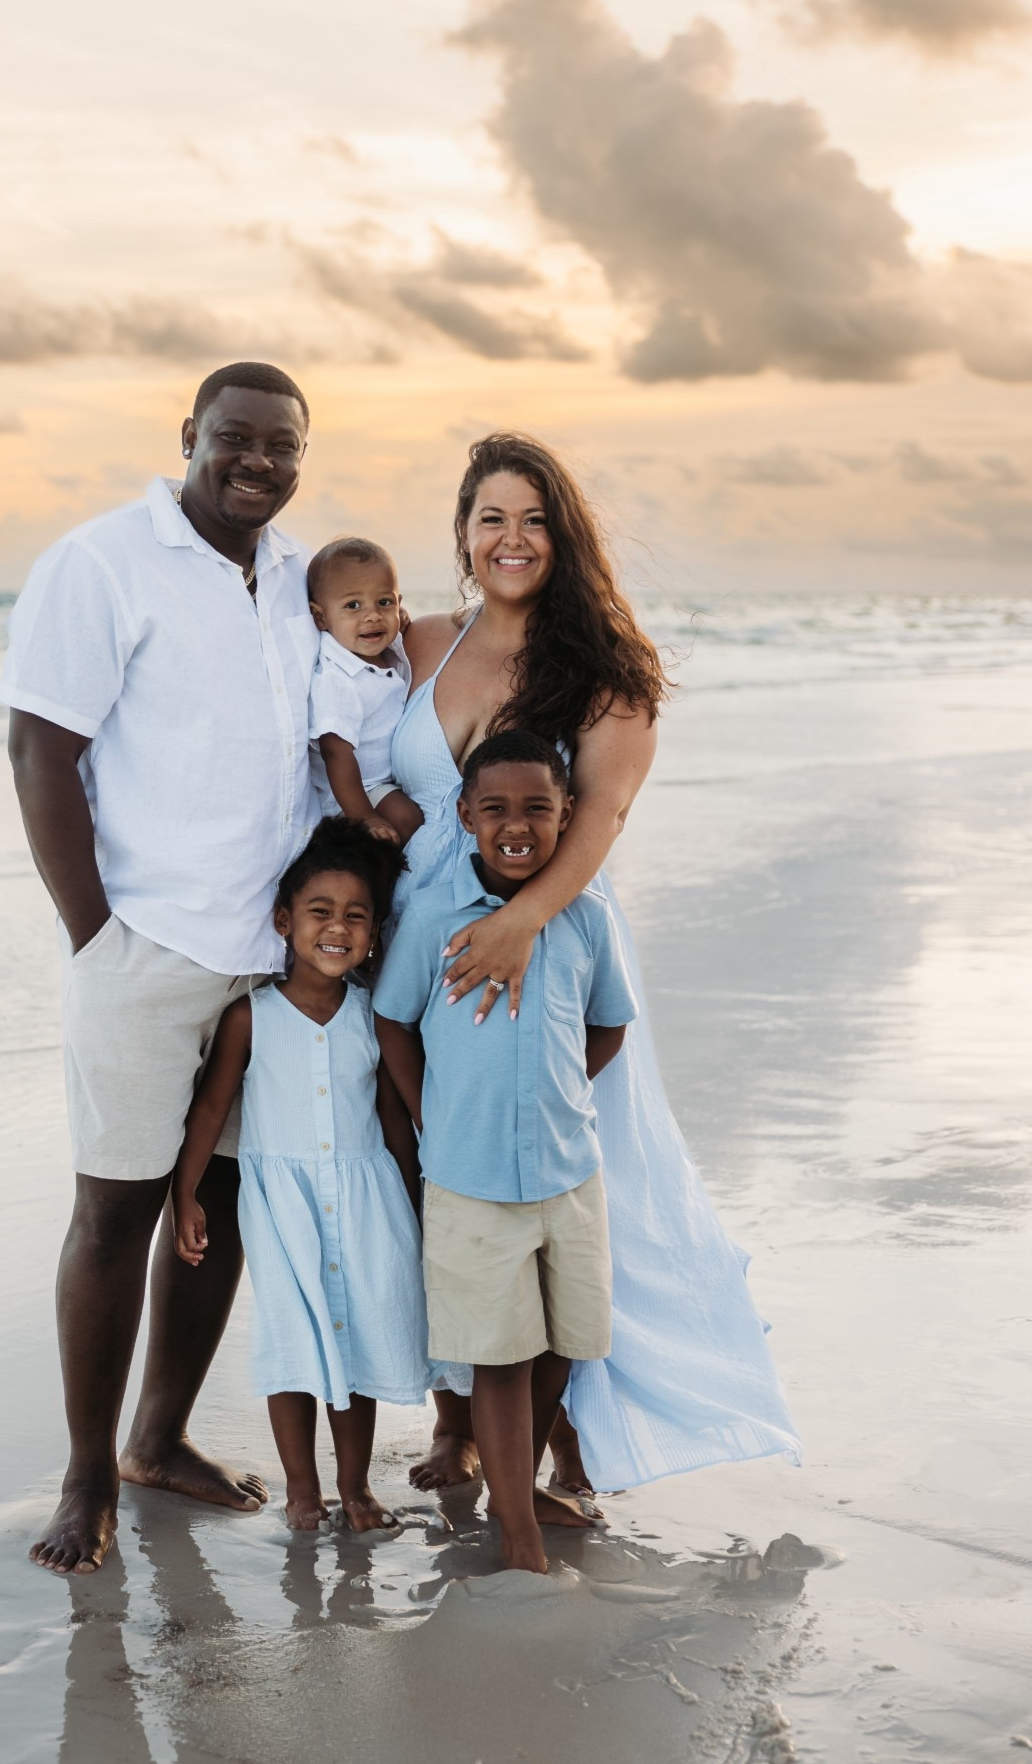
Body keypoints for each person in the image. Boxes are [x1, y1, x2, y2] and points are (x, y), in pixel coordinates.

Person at [389, 431, 801, 1500]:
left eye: (533, 518)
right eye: (490, 517)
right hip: (420, 946)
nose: (510, 537)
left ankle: (574, 1430)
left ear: (562, 537)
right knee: (437, 1170)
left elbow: (603, 812)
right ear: (462, 533)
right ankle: (458, 1418)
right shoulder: (419, 641)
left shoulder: (607, 675)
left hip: (548, 947)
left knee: (571, 1179)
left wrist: (520, 922)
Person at [0, 361, 320, 1575]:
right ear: (189, 435)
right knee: (118, 1208)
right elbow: (39, 747)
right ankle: (85, 1476)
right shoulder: (100, 562)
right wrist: (95, 934)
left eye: (282, 445)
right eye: (236, 438)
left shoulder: (299, 577)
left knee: (221, 1202)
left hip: (266, 960)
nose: (259, 461)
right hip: (145, 948)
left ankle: (160, 1435)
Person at [375, 732, 638, 1573]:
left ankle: (513, 1489)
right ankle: (518, 1534)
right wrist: (431, 1117)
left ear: (567, 815)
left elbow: (609, 1023)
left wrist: (558, 1095)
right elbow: (393, 1020)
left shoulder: (586, 917)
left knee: (563, 1343)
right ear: (465, 816)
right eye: (496, 809)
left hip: (568, 1170)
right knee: (498, 1353)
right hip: (470, 1177)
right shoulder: (432, 916)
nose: (517, 826)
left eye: (537, 808)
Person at [172, 818, 427, 1532]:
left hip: (367, 1199)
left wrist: (416, 1202)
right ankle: (301, 1491)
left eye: (356, 916)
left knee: (359, 1342)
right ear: (285, 921)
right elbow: (212, 1108)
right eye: (320, 912)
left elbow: (394, 1119)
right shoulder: (249, 1018)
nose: (337, 928)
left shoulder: (374, 1016)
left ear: (375, 932)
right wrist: (183, 1192)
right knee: (293, 1340)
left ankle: (355, 1489)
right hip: (281, 1206)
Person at [306, 537, 424, 845]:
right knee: (406, 820)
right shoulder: (338, 679)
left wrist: (400, 622)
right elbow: (336, 753)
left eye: (384, 602)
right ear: (321, 617)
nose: (372, 615)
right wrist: (363, 816)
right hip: (355, 791)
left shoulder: (380, 647)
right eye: (353, 605)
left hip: (381, 781)